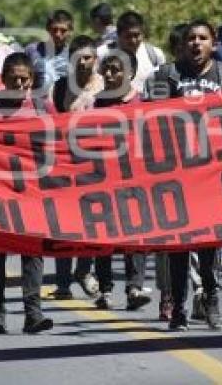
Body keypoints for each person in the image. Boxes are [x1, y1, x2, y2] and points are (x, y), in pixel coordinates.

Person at [146, 20, 222, 331]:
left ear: (214, 43)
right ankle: (178, 308)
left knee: (209, 242)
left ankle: (211, 300)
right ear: (182, 43)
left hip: (212, 173)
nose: (196, 43)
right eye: (191, 38)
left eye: (203, 38)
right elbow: (154, 121)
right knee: (178, 245)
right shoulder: (166, 75)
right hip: (177, 174)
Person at [0, 53, 53, 335]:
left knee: (33, 253)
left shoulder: (42, 107)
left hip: (30, 192)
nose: (19, 84)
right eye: (13, 78)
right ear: (4, 76)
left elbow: (63, 141)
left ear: (32, 79)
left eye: (24, 79)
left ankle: (33, 313)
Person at [90, 53, 151, 311]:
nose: (111, 74)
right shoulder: (95, 104)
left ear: (130, 73)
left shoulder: (142, 103)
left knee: (135, 234)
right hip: (104, 178)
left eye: (117, 69)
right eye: (107, 69)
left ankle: (134, 286)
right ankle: (104, 290)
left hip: (134, 177)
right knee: (104, 235)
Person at [50, 36, 102, 300]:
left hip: (98, 164)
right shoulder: (58, 88)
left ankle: (84, 270)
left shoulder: (105, 87)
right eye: (77, 57)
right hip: (66, 163)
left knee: (92, 221)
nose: (82, 63)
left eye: (87, 57)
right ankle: (62, 281)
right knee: (65, 223)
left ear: (96, 59)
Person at [97, 11, 165, 93]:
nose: (133, 40)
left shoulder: (155, 55)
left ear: (143, 33)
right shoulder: (102, 54)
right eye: (128, 36)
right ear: (118, 35)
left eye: (136, 35)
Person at [26, 9, 73, 92]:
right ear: (47, 29)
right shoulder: (32, 50)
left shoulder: (73, 54)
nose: (58, 34)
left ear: (70, 32)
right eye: (54, 30)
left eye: (63, 31)